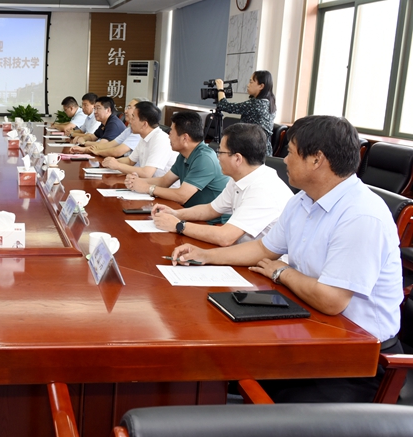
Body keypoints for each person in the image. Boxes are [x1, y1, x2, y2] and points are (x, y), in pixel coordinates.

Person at [172, 115, 403, 403]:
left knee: (247, 387)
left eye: (291, 152)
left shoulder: (361, 215)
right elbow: (263, 249)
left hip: (357, 358)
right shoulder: (302, 200)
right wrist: (206, 256)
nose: (284, 159)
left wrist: (282, 273)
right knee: (218, 363)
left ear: (316, 160)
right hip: (308, 326)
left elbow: (331, 300)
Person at [152, 123, 292, 245]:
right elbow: (210, 210)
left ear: (237, 159)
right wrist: (175, 213)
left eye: (220, 152)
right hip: (241, 252)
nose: (217, 157)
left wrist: (178, 225)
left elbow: (225, 237)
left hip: (265, 263)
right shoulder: (239, 178)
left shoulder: (263, 190)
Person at [125, 111, 230, 218]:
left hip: (212, 221)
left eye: (171, 132)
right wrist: (136, 181)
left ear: (185, 138)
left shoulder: (204, 158)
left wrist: (148, 188)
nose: (168, 136)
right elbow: (164, 181)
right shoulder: (184, 154)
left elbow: (182, 196)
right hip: (189, 213)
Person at [101, 101, 177, 179]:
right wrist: (110, 162)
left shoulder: (161, 140)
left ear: (144, 124)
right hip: (145, 183)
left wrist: (117, 165)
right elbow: (130, 161)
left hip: (159, 186)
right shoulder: (144, 137)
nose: (130, 121)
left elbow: (146, 173)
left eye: (133, 117)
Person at [215, 70, 276, 155]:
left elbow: (225, 106)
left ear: (261, 86)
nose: (248, 85)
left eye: (251, 82)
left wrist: (220, 89)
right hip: (265, 149)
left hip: (253, 149)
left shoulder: (257, 104)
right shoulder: (270, 102)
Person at [72, 98, 145, 157]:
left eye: (129, 108)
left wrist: (85, 144)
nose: (125, 111)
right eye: (95, 109)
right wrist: (84, 148)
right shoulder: (129, 130)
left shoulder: (114, 124)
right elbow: (108, 145)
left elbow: (116, 151)